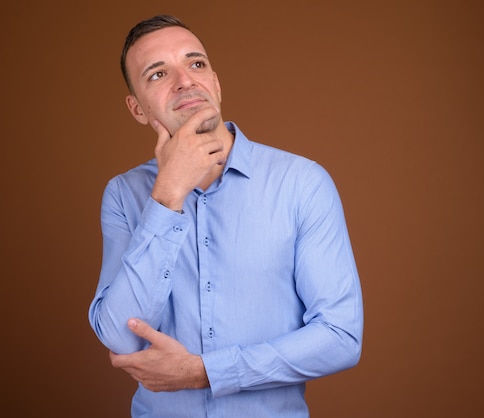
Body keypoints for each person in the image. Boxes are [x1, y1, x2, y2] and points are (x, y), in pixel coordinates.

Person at [88, 14, 363, 418]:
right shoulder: (124, 194)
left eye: (195, 64)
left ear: (215, 82)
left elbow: (340, 337)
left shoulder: (302, 183)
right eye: (158, 73)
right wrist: (167, 195)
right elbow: (119, 337)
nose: (185, 81)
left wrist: (205, 371)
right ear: (137, 109)